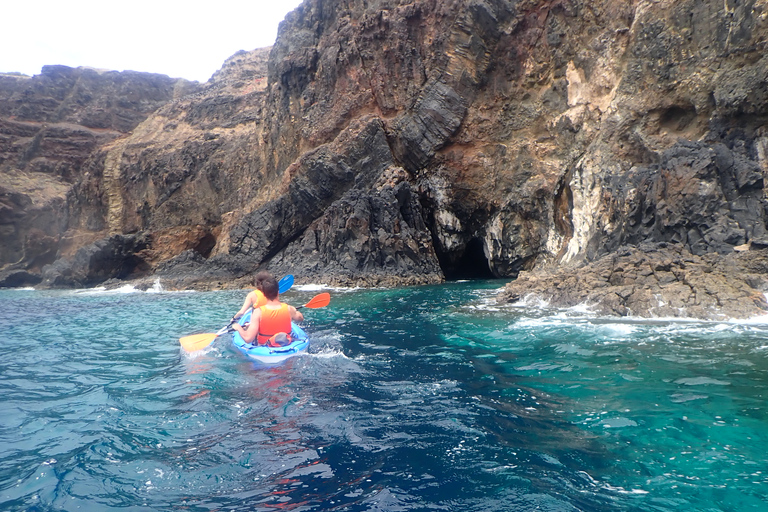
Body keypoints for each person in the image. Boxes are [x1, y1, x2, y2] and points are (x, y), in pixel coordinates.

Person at [231, 276, 304, 346]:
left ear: (264, 294)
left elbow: (248, 338)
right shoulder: (289, 309)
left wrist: (238, 327)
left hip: (265, 347)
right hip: (286, 344)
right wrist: (295, 311)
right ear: (278, 292)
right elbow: (300, 318)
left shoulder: (258, 312)